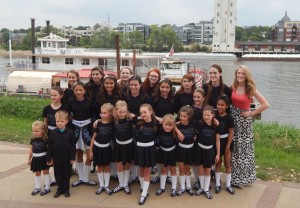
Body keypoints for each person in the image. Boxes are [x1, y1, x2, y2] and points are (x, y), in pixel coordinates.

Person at [230, 65, 269, 188]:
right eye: (238, 73)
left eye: (242, 74)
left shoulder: (251, 89)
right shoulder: (233, 86)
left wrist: (251, 113)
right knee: (234, 149)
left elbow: (265, 104)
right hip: (233, 120)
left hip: (244, 122)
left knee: (244, 151)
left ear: (246, 75)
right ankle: (234, 177)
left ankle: (243, 179)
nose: (240, 75)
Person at [67, 82, 97, 187]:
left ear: (84, 91)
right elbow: (67, 113)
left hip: (87, 127)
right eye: (76, 90)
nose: (78, 92)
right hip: (75, 128)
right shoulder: (71, 102)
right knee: (78, 153)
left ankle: (86, 177)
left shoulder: (90, 102)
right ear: (73, 91)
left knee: (89, 155)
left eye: (80, 90)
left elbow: (94, 114)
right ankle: (81, 177)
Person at [47, 110, 76, 198]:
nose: (59, 123)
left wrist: (72, 157)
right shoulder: (53, 133)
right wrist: (49, 158)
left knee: (66, 174)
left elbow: (73, 146)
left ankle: (66, 189)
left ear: (66, 121)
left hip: (67, 157)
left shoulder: (70, 133)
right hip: (57, 157)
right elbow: (50, 146)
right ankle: (60, 188)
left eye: (62, 121)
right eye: (58, 121)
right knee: (58, 173)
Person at [134, 104, 159, 205]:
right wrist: (98, 120)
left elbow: (169, 123)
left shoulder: (156, 123)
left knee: (147, 170)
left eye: (145, 112)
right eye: (141, 113)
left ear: (151, 112)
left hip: (150, 149)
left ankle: (144, 194)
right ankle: (142, 187)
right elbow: (121, 117)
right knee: (141, 169)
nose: (143, 114)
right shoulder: (138, 123)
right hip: (140, 148)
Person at [42, 86, 67, 185]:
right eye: (51, 95)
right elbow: (45, 123)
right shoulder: (47, 108)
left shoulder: (65, 108)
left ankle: (61, 178)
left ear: (61, 95)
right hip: (50, 134)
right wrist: (45, 134)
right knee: (51, 156)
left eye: (55, 95)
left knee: (60, 156)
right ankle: (55, 178)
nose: (52, 97)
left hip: (61, 134)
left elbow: (67, 121)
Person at [194, 105, 220, 199]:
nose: (206, 117)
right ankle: (201, 187)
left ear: (212, 115)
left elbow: (217, 140)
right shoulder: (199, 124)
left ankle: (206, 189)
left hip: (210, 151)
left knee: (207, 170)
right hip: (200, 150)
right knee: (200, 170)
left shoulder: (216, 126)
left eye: (208, 115)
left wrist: (217, 154)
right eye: (204, 115)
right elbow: (195, 135)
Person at [112, 100, 136, 195]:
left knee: (127, 165)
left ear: (127, 111)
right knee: (119, 166)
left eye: (124, 111)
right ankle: (120, 184)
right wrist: (97, 120)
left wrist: (134, 117)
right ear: (116, 111)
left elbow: (142, 120)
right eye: (120, 112)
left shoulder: (130, 119)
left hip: (129, 145)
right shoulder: (113, 119)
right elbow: (103, 120)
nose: (122, 114)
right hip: (118, 145)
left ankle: (125, 184)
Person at [90, 103, 114, 195]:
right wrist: (91, 151)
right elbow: (93, 138)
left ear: (110, 114)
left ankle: (107, 186)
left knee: (107, 167)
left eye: (105, 113)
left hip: (106, 148)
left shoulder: (112, 124)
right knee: (99, 167)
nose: (102, 115)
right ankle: (101, 185)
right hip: (97, 148)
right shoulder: (98, 124)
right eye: (101, 113)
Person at [156, 114, 180, 197]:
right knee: (163, 170)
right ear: (162, 123)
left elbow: (178, 142)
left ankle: (174, 188)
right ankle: (162, 187)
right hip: (163, 152)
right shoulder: (160, 130)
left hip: (172, 153)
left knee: (173, 170)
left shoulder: (174, 133)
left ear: (173, 125)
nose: (167, 127)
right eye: (165, 125)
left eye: (170, 125)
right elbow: (154, 117)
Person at [214, 95, 235, 194]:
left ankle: (228, 185)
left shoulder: (229, 117)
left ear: (227, 106)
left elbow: (231, 132)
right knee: (217, 163)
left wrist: (228, 146)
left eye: (222, 105)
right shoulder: (214, 115)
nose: (220, 107)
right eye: (218, 104)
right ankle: (217, 184)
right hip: (217, 142)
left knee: (227, 164)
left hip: (226, 142)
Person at [176, 105, 197, 196]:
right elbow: (171, 124)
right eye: (181, 116)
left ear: (189, 116)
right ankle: (182, 187)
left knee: (188, 169)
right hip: (181, 149)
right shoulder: (178, 124)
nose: (182, 118)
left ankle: (188, 186)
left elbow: (202, 125)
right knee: (181, 168)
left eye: (184, 116)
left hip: (190, 149)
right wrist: (178, 131)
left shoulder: (193, 123)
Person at [28, 121, 51, 196]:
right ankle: (37, 187)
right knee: (37, 173)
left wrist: (50, 159)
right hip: (35, 158)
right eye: (33, 131)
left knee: (45, 172)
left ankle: (47, 187)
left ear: (43, 130)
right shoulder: (33, 139)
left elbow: (49, 150)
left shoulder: (45, 139)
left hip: (44, 158)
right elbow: (31, 149)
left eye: (37, 131)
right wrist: (29, 158)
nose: (35, 133)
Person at [191, 88, 206, 190]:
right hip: (193, 137)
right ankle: (197, 180)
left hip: (204, 137)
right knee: (195, 161)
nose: (196, 99)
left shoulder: (207, 109)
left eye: (198, 97)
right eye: (194, 97)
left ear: (203, 98)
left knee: (205, 160)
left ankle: (205, 180)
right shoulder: (190, 109)